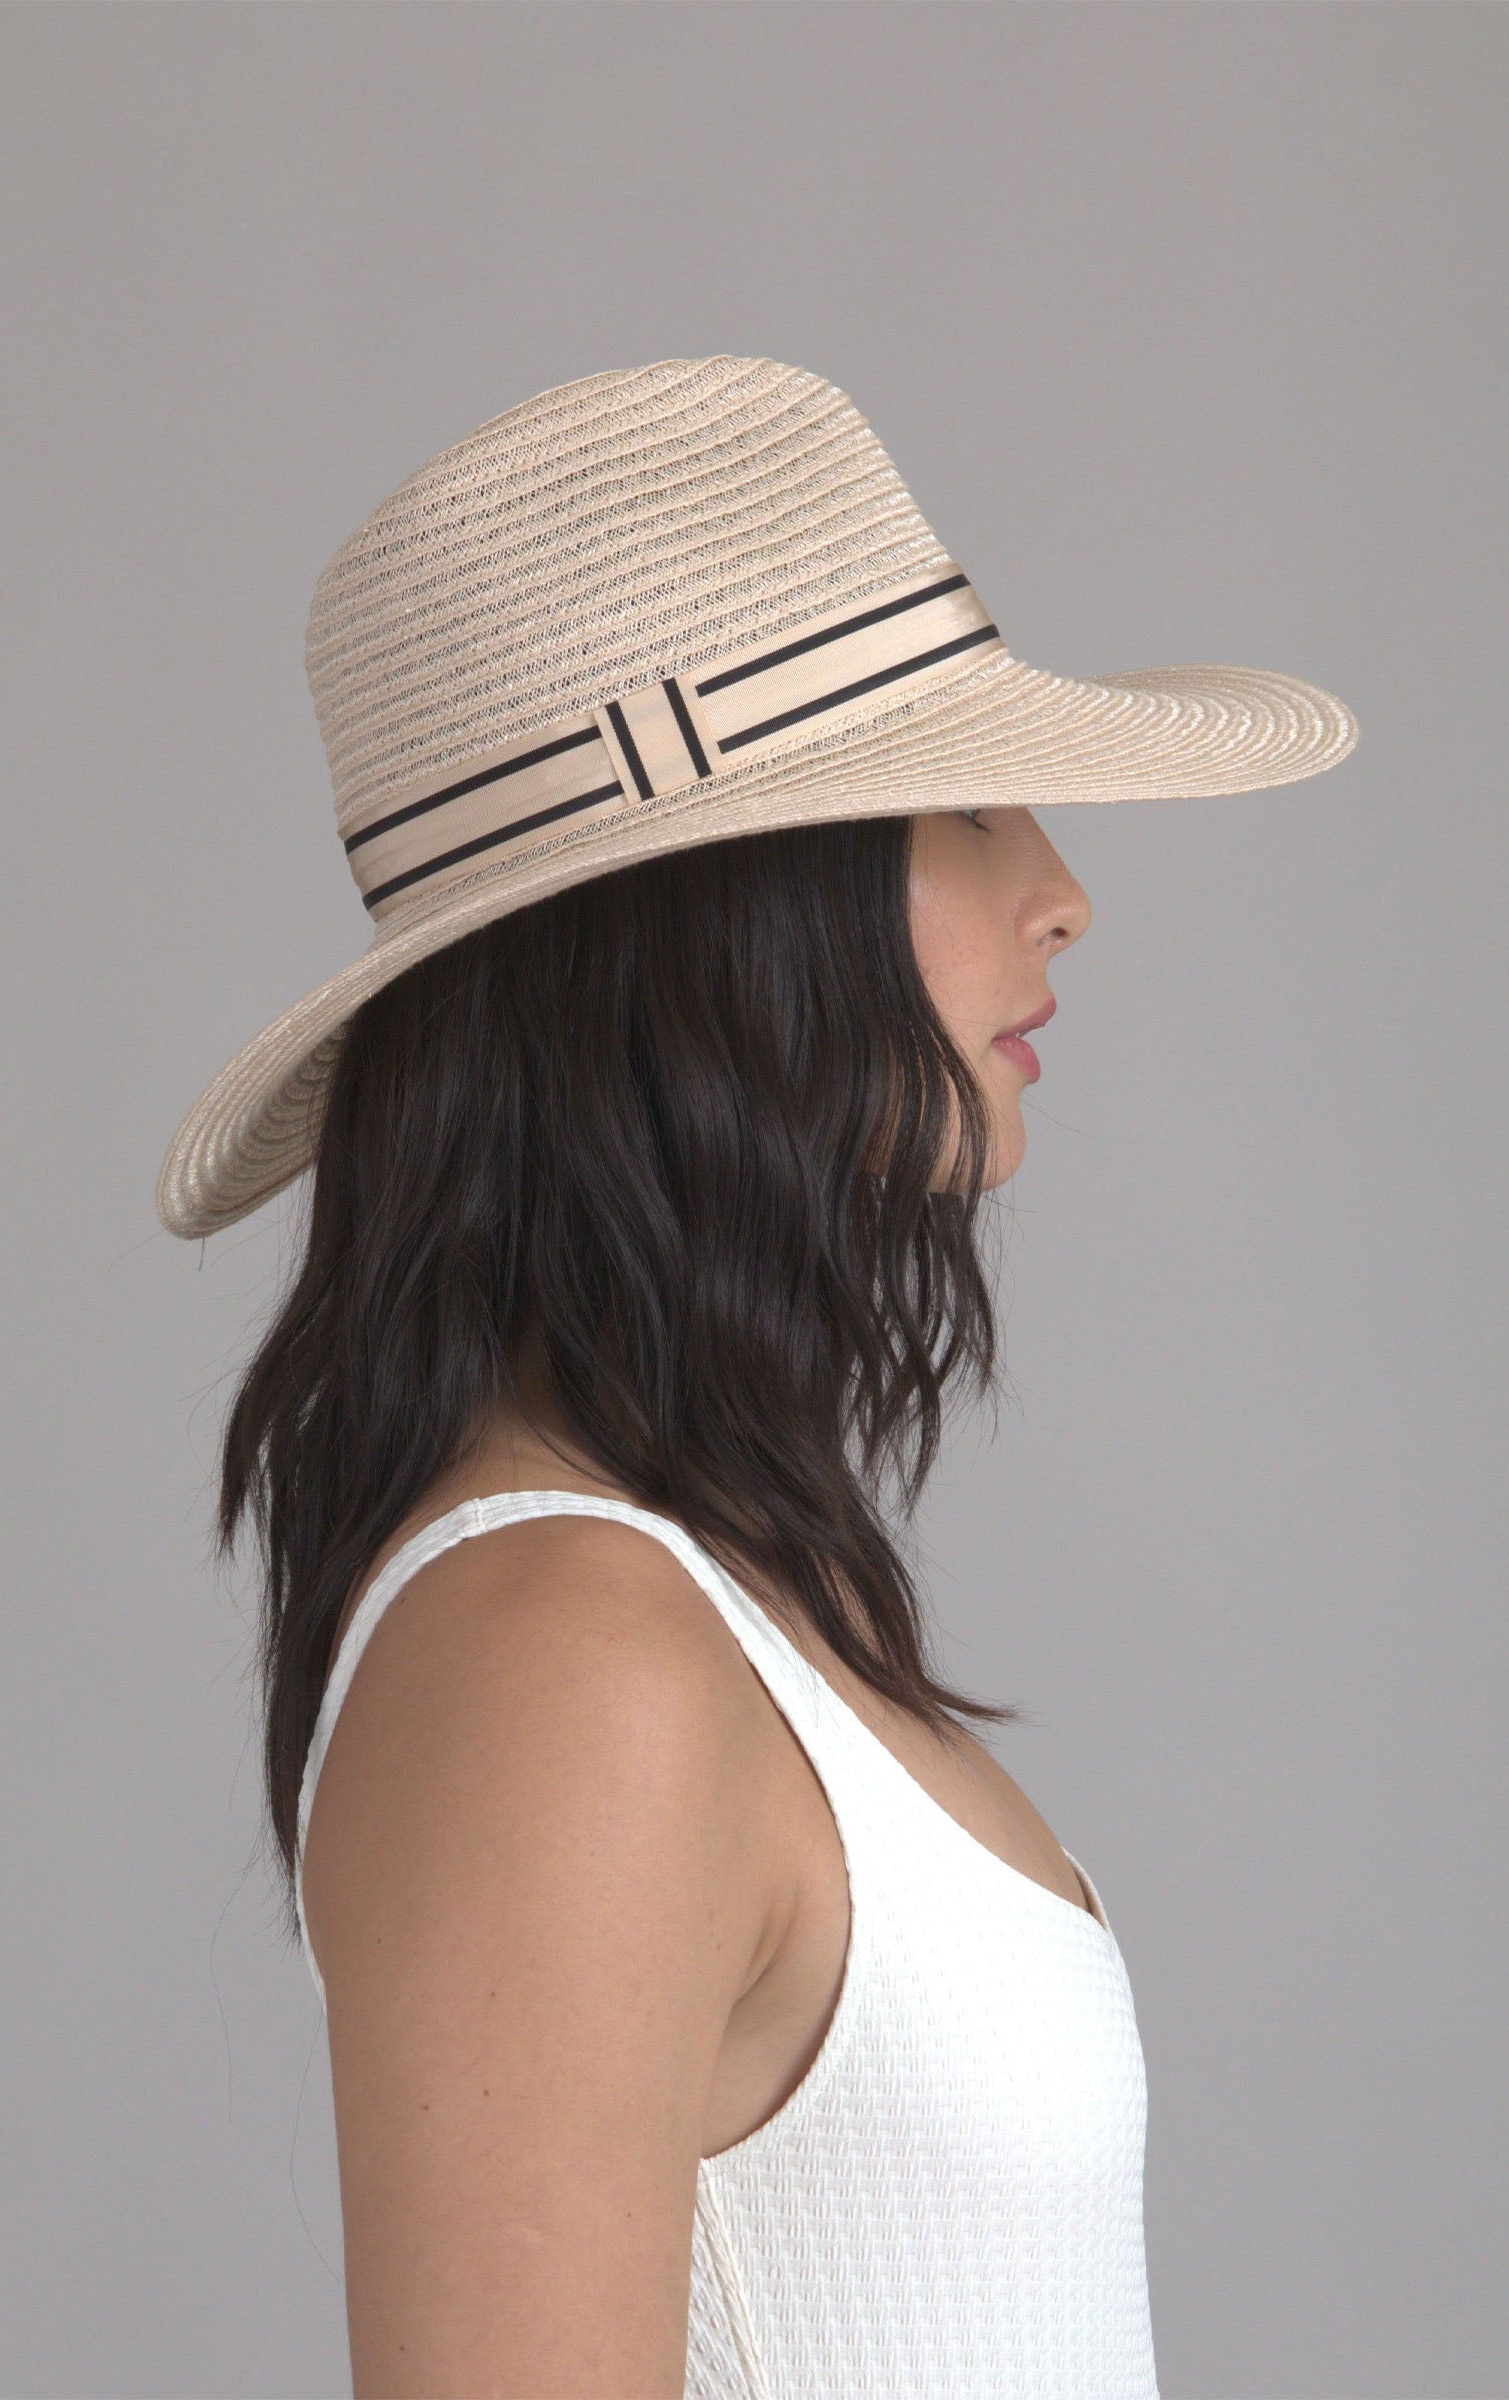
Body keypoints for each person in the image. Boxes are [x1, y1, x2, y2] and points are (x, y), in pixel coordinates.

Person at [156, 356, 1358, 2399]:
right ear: (719, 917)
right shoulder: (558, 1648)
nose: (1056, 888)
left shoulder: (683, 1606)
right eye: (959, 801)